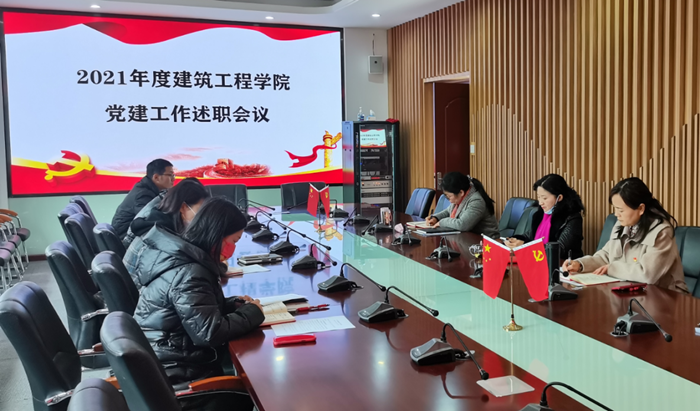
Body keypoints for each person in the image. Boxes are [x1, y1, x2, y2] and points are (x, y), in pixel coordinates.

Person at [133, 197, 265, 388]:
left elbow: (190, 311)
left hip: (168, 357)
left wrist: (231, 305)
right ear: (217, 234)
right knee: (257, 385)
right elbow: (209, 333)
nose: (234, 249)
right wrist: (252, 313)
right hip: (177, 373)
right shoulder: (190, 273)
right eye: (234, 241)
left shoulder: (183, 257)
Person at [562, 177, 689, 293]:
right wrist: (580, 264)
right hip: (633, 292)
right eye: (615, 208)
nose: (616, 214)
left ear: (641, 209)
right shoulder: (622, 224)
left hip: (666, 297)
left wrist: (612, 268)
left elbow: (648, 274)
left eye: (621, 210)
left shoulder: (661, 231)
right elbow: (606, 256)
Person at [123, 177, 210, 289]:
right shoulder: (160, 236)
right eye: (201, 211)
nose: (203, 217)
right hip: (139, 292)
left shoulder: (161, 220)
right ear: (183, 207)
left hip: (136, 288)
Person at [504, 174, 585, 259]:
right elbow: (529, 236)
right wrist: (513, 240)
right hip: (536, 262)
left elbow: (559, 250)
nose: (540, 202)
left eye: (544, 198)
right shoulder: (540, 214)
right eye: (539, 197)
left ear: (559, 198)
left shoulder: (572, 218)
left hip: (561, 265)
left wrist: (525, 245)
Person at [111, 159, 175, 239]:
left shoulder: (148, 189)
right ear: (156, 177)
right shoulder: (143, 194)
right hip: (125, 239)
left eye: (173, 175)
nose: (173, 179)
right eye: (170, 175)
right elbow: (150, 220)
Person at [426, 172, 499, 237]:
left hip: (486, 243)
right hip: (468, 239)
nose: (448, 199)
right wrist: (435, 218)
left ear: (461, 192)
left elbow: (462, 225)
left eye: (449, 196)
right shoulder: (460, 198)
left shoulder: (476, 201)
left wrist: (441, 222)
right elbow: (448, 211)